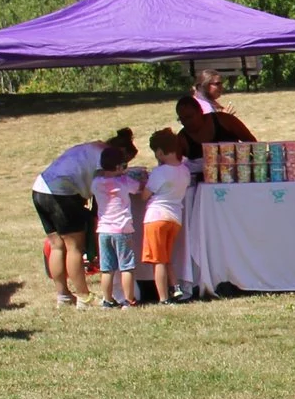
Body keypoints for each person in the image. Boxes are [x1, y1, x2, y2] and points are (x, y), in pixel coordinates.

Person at [31, 126, 126, 308]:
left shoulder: (94, 147)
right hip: (61, 193)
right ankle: (84, 297)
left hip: (39, 189)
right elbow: (102, 189)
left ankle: (63, 296)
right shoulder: (105, 157)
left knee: (57, 246)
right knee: (74, 247)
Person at [89, 135, 143, 309]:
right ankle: (129, 300)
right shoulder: (124, 181)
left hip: (104, 230)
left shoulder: (96, 183)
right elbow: (139, 188)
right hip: (122, 229)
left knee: (107, 268)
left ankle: (107, 299)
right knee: (126, 267)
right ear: (119, 166)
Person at [142, 129, 193, 302]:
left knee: (158, 261)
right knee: (166, 257)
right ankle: (175, 288)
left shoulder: (159, 172)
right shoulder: (184, 170)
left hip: (156, 217)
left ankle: (163, 297)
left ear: (159, 152)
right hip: (175, 218)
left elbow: (144, 195)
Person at [176, 68, 255, 169]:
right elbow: (174, 165)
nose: (186, 122)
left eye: (189, 117)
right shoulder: (182, 139)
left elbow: (252, 143)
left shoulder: (225, 120)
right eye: (182, 119)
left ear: (200, 112)